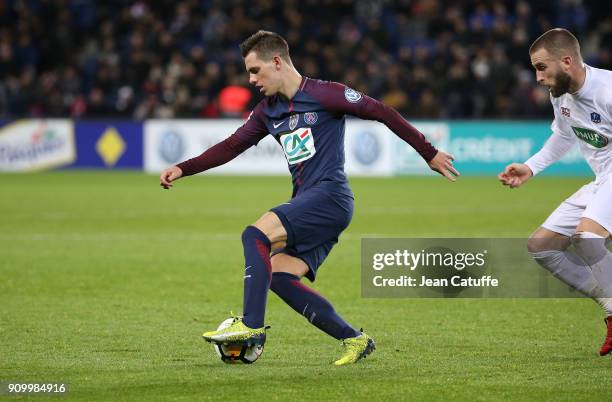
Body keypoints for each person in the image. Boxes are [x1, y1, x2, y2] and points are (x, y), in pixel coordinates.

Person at [160, 30, 459, 365]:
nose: (250, 79)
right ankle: (354, 339)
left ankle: (251, 327)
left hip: (330, 196)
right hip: (314, 202)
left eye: (255, 70)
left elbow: (381, 111)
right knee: (282, 278)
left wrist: (428, 152)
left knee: (255, 235)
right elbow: (231, 146)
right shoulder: (266, 111)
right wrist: (183, 168)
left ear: (276, 62)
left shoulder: (324, 94)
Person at [498, 28, 612, 356]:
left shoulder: (607, 91)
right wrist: (531, 167)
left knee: (587, 238)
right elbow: (564, 136)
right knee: (542, 247)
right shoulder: (560, 94)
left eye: (541, 67)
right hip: (603, 180)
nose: (537, 77)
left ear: (566, 61)